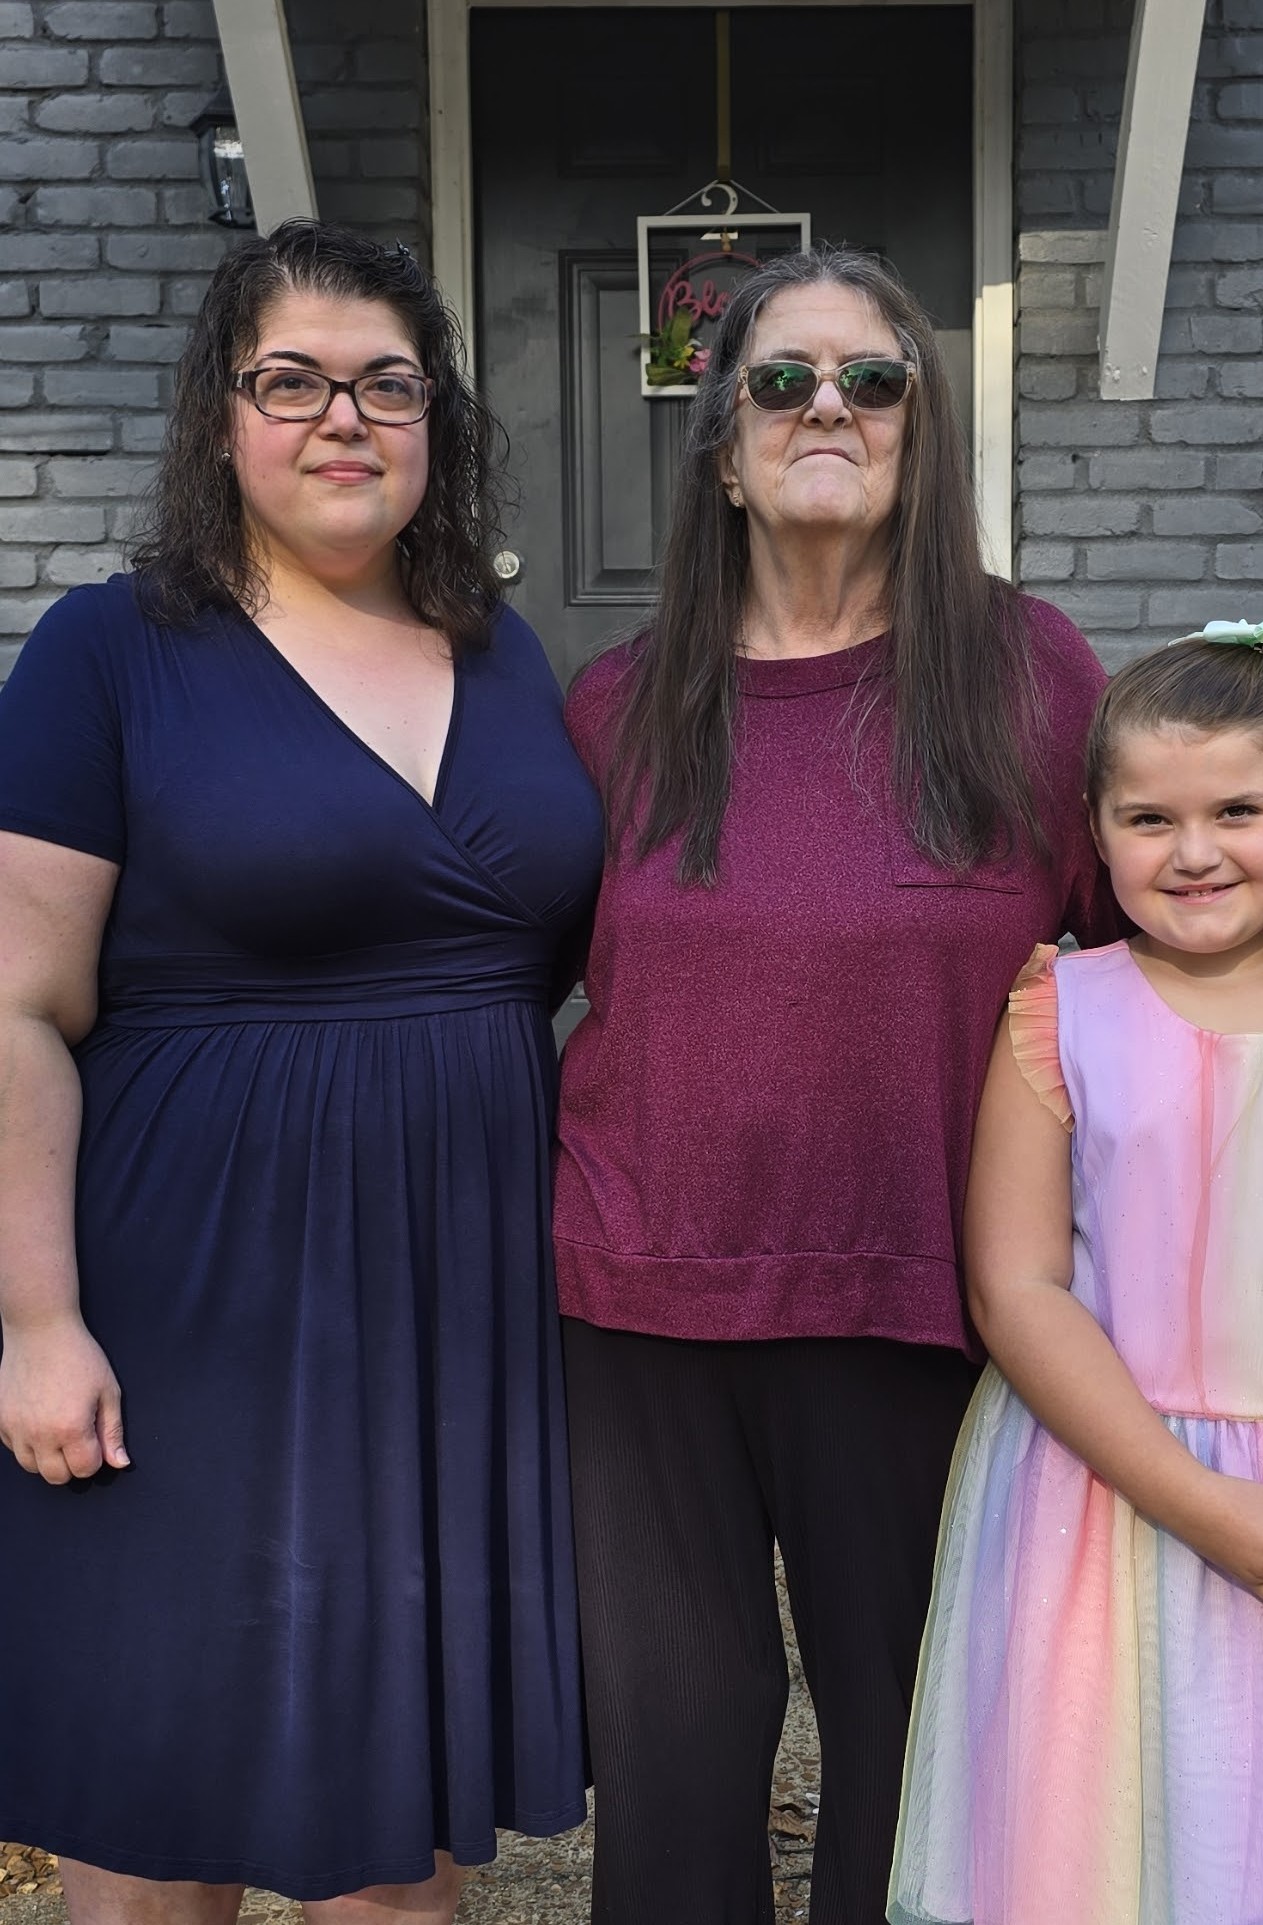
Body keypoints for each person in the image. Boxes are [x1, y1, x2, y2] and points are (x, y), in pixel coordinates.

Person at [0, 221, 601, 1922]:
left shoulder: (503, 651)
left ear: (436, 420)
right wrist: (36, 1320)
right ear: (223, 414)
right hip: (188, 1292)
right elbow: (16, 1006)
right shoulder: (108, 650)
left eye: (387, 384)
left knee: (391, 1823)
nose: (345, 418)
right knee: (157, 1802)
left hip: (447, 1302)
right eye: (294, 381)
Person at [554, 244, 1123, 1925]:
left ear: (920, 437)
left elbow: (1159, 940)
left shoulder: (1029, 676)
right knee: (673, 1748)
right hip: (639, 1299)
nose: (830, 408)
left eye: (874, 380)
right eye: (783, 379)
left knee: (917, 1743)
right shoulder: (615, 705)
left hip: (919, 1294)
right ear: (724, 449)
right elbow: (490, 963)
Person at [889, 615, 1263, 1925]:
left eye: (1237, 810)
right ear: (1096, 829)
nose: (1193, 852)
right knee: (1101, 1856)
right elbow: (1017, 1289)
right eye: (1149, 819)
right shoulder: (1059, 1011)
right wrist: (1193, 1497)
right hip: (1109, 1513)